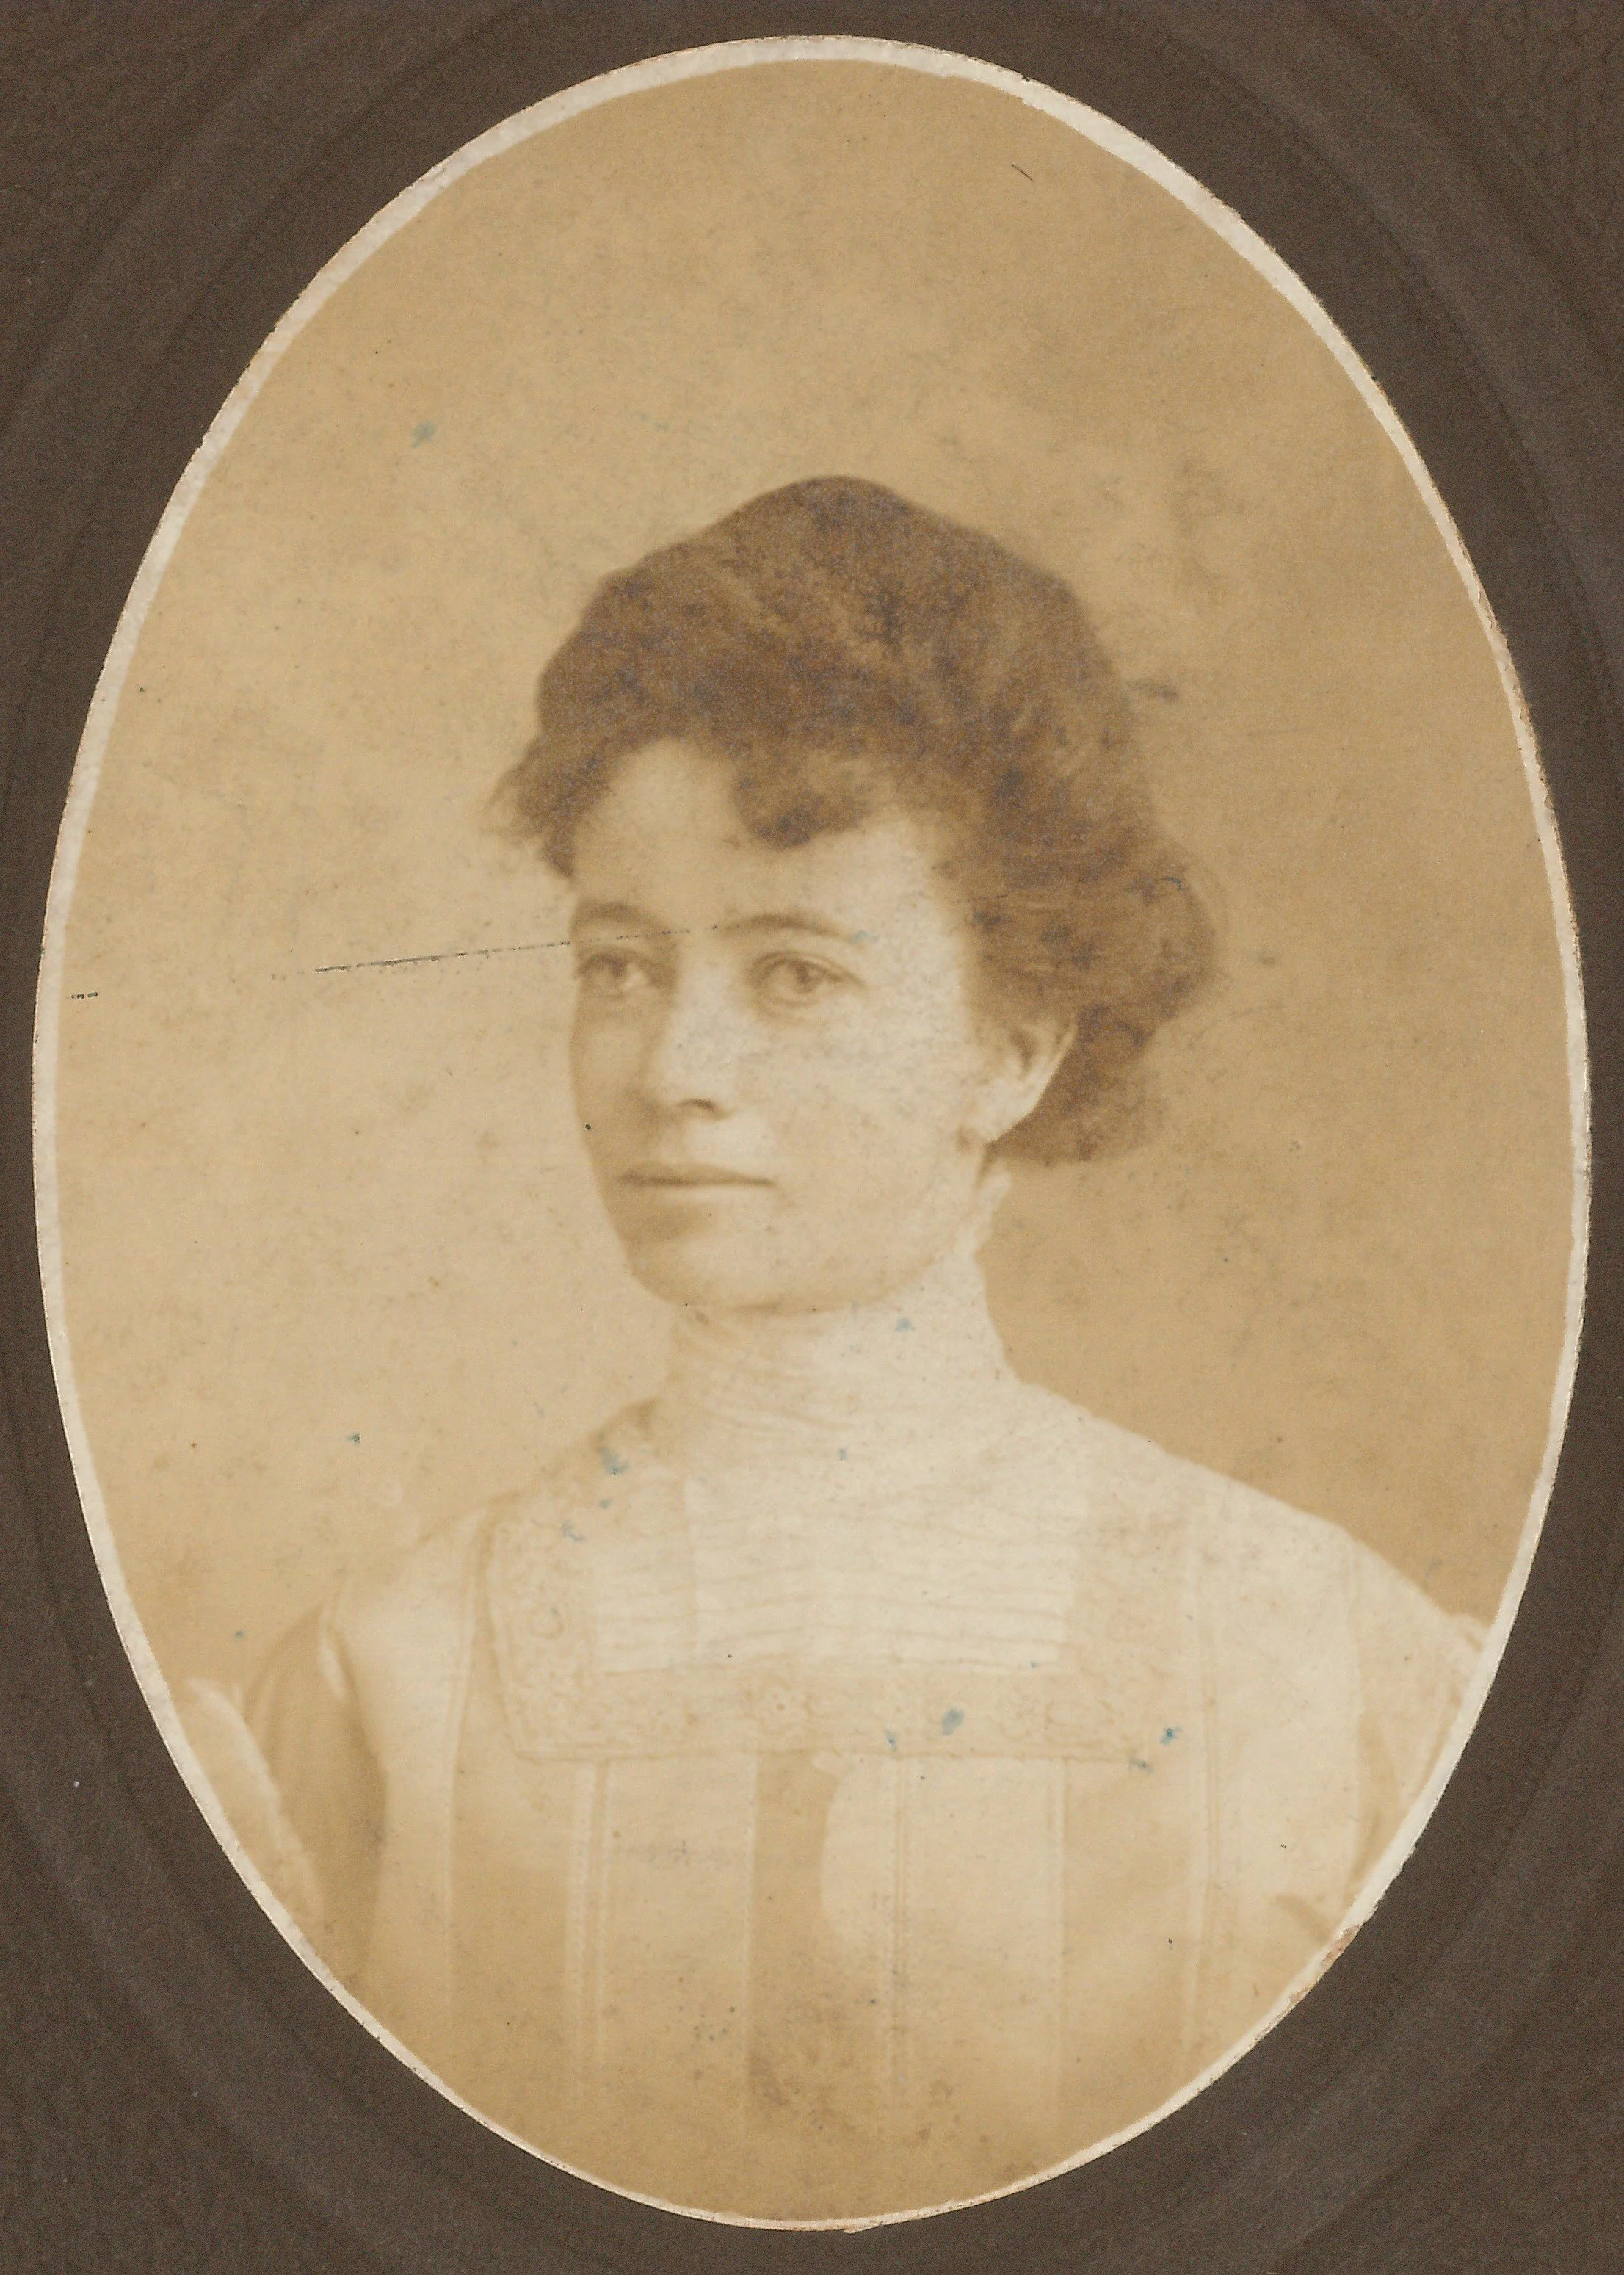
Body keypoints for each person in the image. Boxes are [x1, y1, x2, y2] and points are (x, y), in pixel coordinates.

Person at [185, 477, 1479, 2220]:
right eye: (621, 966)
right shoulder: (375, 1692)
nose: (669, 1068)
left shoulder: (1325, 1679)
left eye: (792, 976)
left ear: (1014, 1042)